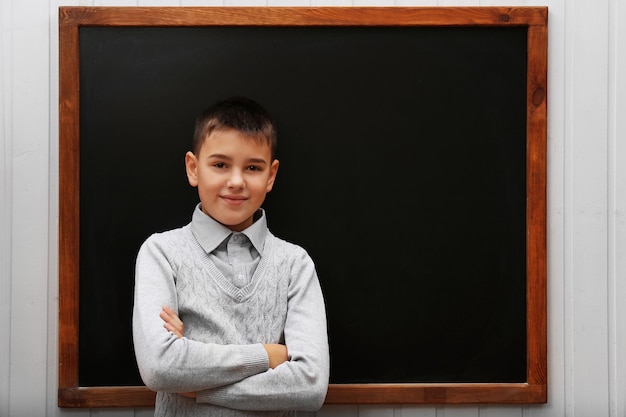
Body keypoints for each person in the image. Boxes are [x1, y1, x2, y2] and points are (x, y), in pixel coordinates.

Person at [132, 97, 330, 416]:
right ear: (193, 168)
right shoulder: (161, 253)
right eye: (220, 164)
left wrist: (194, 386)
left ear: (271, 176)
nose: (236, 181)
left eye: (252, 167)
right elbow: (159, 367)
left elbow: (310, 386)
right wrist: (267, 356)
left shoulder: (296, 264)